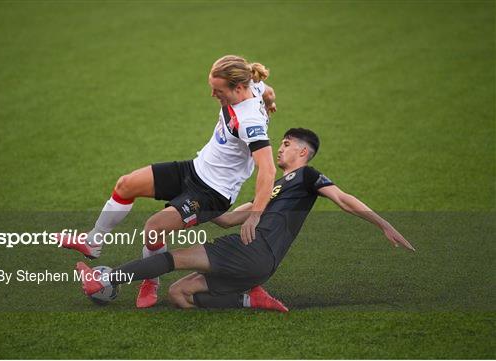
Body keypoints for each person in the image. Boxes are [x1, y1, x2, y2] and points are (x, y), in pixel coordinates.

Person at [76, 128, 415, 312]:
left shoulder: (308, 176)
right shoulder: (272, 188)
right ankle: (248, 298)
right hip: (255, 260)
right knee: (179, 295)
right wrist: (187, 202)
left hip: (250, 251)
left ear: (302, 152)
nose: (278, 149)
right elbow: (228, 219)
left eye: (285, 144)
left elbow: (344, 199)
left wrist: (383, 223)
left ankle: (105, 280)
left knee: (170, 260)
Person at [59, 55, 278, 308]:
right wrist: (270, 103)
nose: (213, 95)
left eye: (218, 91)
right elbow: (268, 91)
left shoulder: (250, 122)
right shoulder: (253, 85)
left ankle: (151, 280)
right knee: (125, 185)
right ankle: (93, 241)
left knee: (154, 227)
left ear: (237, 88)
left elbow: (268, 170)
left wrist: (255, 215)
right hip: (194, 169)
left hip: (212, 194)